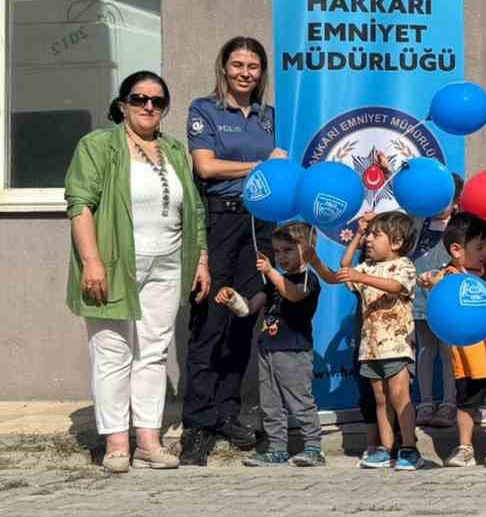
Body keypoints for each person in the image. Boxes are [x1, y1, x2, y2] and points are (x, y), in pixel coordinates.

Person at [66, 72, 209, 473]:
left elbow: (193, 208)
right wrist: (91, 260)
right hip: (112, 262)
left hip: (167, 262)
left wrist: (200, 259)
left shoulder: (174, 150)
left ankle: (148, 438)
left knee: (153, 352)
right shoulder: (98, 146)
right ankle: (115, 442)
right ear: (123, 103)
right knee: (112, 351)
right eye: (139, 98)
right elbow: (80, 204)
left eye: (157, 101)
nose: (148, 106)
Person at [181, 36, 284, 465]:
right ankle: (197, 425)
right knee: (210, 321)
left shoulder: (269, 117)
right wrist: (260, 166)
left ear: (262, 73)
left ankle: (227, 412)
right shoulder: (204, 110)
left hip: (261, 223)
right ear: (224, 68)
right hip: (222, 216)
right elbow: (204, 166)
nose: (245, 73)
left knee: (244, 316)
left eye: (254, 66)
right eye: (238, 65)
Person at [419, 211, 486, 468]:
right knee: (466, 403)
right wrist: (428, 281)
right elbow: (434, 284)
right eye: (479, 247)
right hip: (463, 353)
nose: (485, 253)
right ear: (457, 250)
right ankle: (465, 447)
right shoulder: (448, 275)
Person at [227, 223, 322, 467]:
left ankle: (313, 447)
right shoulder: (272, 283)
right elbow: (249, 308)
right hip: (267, 349)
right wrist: (232, 298)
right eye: (277, 251)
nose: (281, 256)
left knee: (300, 401)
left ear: (308, 251)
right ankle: (277, 448)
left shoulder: (307, 280)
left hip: (294, 351)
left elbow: (292, 294)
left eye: (288, 250)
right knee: (270, 404)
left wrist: (270, 271)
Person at [333, 212, 420, 471]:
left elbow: (395, 286)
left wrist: (361, 278)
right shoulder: (366, 267)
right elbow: (345, 267)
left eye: (375, 235)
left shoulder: (404, 265)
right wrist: (357, 235)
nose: (369, 240)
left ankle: (409, 447)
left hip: (396, 346)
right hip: (370, 348)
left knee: (399, 397)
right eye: (368, 235)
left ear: (396, 241)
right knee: (380, 399)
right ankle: (385, 448)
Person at [412, 174, 462, 430]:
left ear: (455, 202)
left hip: (446, 301)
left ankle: (449, 402)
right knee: (424, 351)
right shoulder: (419, 222)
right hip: (420, 299)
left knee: (447, 352)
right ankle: (425, 402)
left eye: (445, 198)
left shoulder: (459, 227)